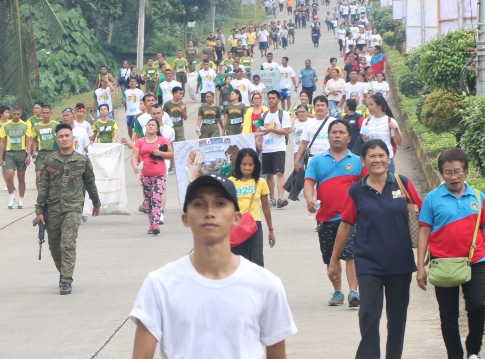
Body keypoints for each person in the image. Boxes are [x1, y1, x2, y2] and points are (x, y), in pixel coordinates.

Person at [130, 174, 297, 359]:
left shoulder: (266, 285)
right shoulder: (159, 285)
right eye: (199, 204)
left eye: (220, 204)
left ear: (236, 217)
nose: (209, 212)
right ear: (185, 219)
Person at [329, 140, 422, 359]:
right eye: (371, 156)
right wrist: (334, 259)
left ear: (389, 158)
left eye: (381, 155)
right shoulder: (356, 190)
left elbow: (423, 218)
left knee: (397, 317)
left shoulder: (402, 184)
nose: (377, 160)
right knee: (369, 314)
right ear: (363, 160)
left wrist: (425, 255)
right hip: (368, 262)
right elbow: (345, 224)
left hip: (400, 262)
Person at [417, 148, 485, 359]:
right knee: (448, 315)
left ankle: (473, 351)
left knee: (477, 307)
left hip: (474, 262)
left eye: (457, 171)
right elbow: (424, 232)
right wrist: (420, 267)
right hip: (442, 263)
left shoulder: (478, 198)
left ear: (466, 171)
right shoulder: (432, 199)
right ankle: (454, 355)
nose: (453, 177)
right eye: (448, 172)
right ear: (441, 173)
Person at [302, 119, 363, 306]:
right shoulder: (317, 161)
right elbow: (309, 183)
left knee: (351, 253)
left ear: (349, 138)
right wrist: (309, 199)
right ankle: (338, 292)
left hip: (351, 218)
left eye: (341, 132)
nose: (337, 135)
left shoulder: (357, 161)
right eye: (334, 132)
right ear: (328, 136)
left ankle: (354, 292)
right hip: (326, 217)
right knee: (331, 257)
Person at [36, 123, 101, 295]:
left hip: (73, 207)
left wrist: (96, 203)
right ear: (56, 140)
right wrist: (39, 210)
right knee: (54, 245)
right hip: (54, 208)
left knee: (68, 243)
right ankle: (63, 272)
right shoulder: (49, 160)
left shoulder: (82, 161)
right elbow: (43, 186)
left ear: (73, 138)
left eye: (67, 136)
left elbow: (90, 183)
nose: (64, 139)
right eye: (61, 136)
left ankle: (66, 280)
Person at [132, 118, 173, 235]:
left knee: (156, 198)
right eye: (148, 125)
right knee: (148, 201)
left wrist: (160, 153)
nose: (150, 126)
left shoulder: (163, 140)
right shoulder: (140, 141)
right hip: (145, 175)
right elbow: (135, 156)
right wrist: (135, 166)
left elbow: (171, 154)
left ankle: (155, 225)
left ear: (157, 128)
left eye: (153, 125)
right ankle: (152, 223)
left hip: (159, 174)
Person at [256, 91, 292, 208]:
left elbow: (286, 131)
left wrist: (271, 130)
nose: (271, 100)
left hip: (279, 148)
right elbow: (260, 130)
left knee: (280, 173)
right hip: (266, 149)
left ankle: (281, 198)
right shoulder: (263, 115)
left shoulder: (284, 114)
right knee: (269, 175)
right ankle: (272, 198)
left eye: (273, 98)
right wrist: (257, 140)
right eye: (269, 98)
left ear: (278, 100)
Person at [0, 105, 36, 210]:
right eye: (14, 114)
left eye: (18, 114)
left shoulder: (25, 126)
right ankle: (11, 197)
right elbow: (2, 142)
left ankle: (21, 200)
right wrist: (1, 159)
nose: (16, 116)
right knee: (9, 176)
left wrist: (28, 155)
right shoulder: (6, 126)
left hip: (21, 153)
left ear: (21, 114)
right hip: (10, 153)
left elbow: (29, 140)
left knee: (21, 177)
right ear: (11, 113)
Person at [361, 93, 404, 173]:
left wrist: (395, 129)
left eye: (371, 104)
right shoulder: (366, 121)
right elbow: (364, 139)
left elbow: (399, 142)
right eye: (368, 105)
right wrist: (364, 139)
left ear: (379, 106)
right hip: (371, 159)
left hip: (386, 159)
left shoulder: (390, 121)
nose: (369, 107)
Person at [32, 105, 58, 190]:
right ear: (41, 113)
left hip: (53, 152)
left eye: (47, 113)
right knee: (38, 174)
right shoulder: (37, 126)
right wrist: (34, 151)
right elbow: (34, 140)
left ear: (51, 113)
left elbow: (59, 138)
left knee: (52, 175)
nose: (45, 115)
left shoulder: (55, 124)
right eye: (44, 113)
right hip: (41, 153)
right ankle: (40, 196)